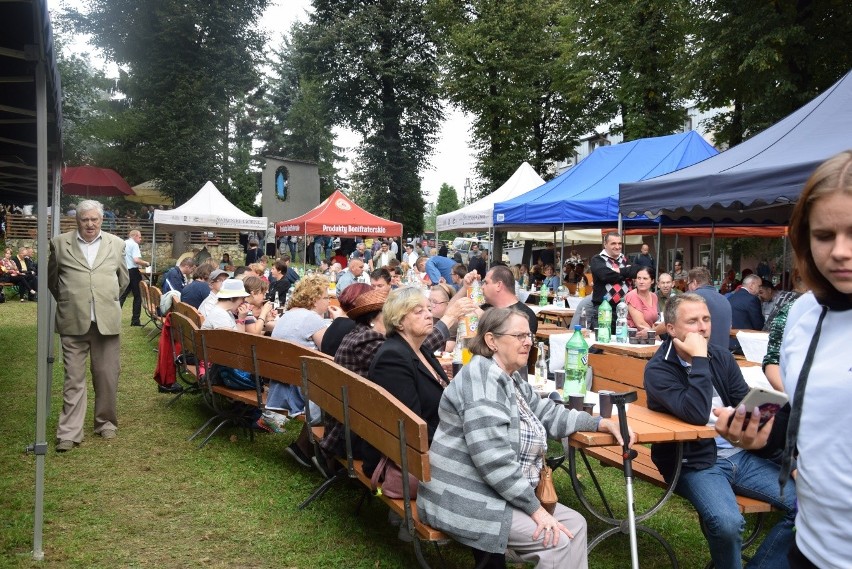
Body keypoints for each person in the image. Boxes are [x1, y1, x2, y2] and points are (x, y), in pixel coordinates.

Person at [418, 307, 633, 568]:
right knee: (555, 542)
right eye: (519, 335)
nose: (528, 341)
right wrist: (535, 509)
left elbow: (546, 412)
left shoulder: (508, 376)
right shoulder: (482, 382)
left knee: (575, 525)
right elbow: (493, 460)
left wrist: (599, 423)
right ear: (491, 340)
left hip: (489, 493)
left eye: (529, 335)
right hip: (464, 499)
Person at [719, 150, 852, 569]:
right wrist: (765, 435)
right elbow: (811, 411)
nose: (840, 252)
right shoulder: (802, 313)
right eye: (825, 235)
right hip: (813, 546)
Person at [644, 293, 796, 568]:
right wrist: (699, 358)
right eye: (692, 321)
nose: (702, 328)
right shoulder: (658, 369)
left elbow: (741, 399)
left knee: (808, 504)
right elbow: (697, 413)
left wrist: (762, 409)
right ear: (672, 329)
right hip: (695, 461)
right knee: (727, 523)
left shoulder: (721, 356)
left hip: (742, 454)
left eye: (706, 320)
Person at [48, 200, 129, 452]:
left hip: (107, 321)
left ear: (102, 220)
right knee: (73, 378)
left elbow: (123, 281)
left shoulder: (117, 244)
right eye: (85, 219)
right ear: (77, 220)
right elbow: (53, 281)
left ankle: (105, 422)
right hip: (73, 321)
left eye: (94, 219)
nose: (90, 224)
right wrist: (71, 299)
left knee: (107, 375)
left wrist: (106, 300)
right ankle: (69, 433)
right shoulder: (60, 244)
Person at [363, 287, 451, 477]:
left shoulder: (419, 349)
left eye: (429, 309)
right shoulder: (393, 358)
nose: (429, 315)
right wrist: (457, 440)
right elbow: (412, 427)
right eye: (419, 311)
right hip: (410, 457)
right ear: (399, 322)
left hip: (432, 442)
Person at [268, 274, 343, 466]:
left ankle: (302, 447)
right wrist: (341, 322)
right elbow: (331, 351)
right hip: (301, 390)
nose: (328, 301)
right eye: (326, 297)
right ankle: (322, 454)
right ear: (314, 298)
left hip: (281, 384)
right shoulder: (312, 319)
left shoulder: (288, 315)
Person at [590, 232, 642, 333]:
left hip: (625, 310)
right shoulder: (597, 259)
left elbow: (637, 271)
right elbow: (605, 275)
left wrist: (617, 271)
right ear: (605, 244)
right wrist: (626, 272)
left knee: (622, 344)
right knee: (601, 343)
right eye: (613, 243)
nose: (617, 246)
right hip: (604, 309)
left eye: (619, 243)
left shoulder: (625, 259)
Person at [687, 266, 732, 351]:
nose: (688, 288)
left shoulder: (691, 298)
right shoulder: (725, 299)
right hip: (723, 356)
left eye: (688, 284)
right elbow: (729, 327)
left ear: (694, 282)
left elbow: (672, 320)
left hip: (700, 355)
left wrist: (655, 331)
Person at [728, 274, 765, 352]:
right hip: (744, 344)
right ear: (752, 285)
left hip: (730, 341)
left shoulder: (731, 297)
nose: (760, 290)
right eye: (759, 286)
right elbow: (758, 325)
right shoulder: (752, 299)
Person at [120, 231, 150, 326]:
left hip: (124, 271)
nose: (140, 239)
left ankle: (113, 318)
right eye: (140, 237)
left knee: (122, 295)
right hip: (133, 271)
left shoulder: (123, 243)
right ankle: (135, 320)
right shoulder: (134, 245)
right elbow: (136, 260)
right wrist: (146, 263)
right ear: (135, 236)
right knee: (138, 296)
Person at [624, 266, 658, 336]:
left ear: (652, 281)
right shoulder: (632, 296)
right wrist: (657, 339)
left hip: (650, 336)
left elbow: (653, 323)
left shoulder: (654, 296)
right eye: (639, 278)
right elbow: (640, 324)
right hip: (635, 337)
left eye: (645, 278)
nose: (641, 282)